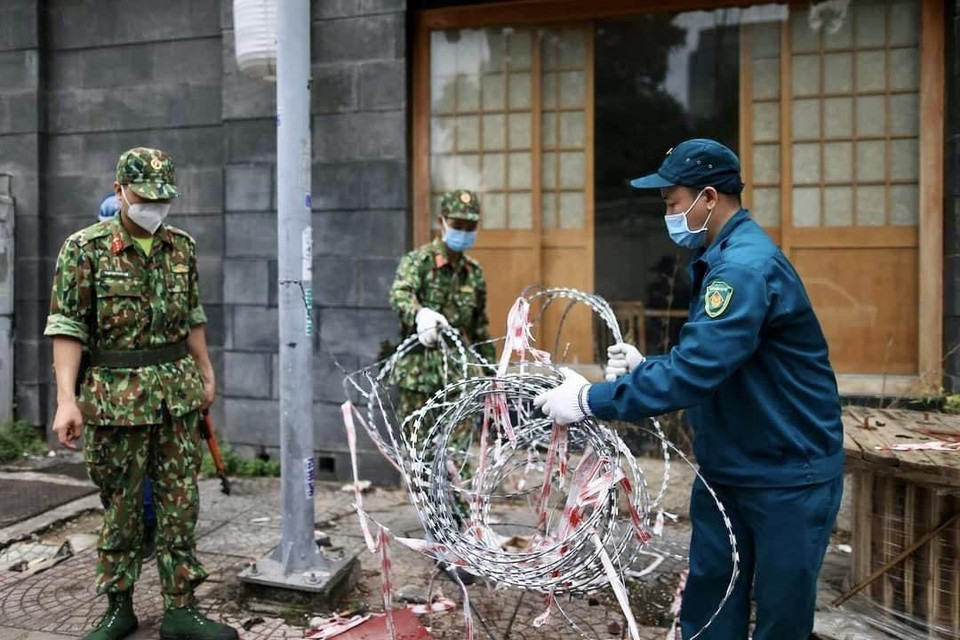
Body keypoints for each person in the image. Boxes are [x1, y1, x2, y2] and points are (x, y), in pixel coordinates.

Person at [534, 139, 844, 640]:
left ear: (708, 197)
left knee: (780, 619)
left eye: (673, 203)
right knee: (711, 600)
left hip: (787, 473)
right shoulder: (721, 256)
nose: (669, 215)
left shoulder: (742, 269)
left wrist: (588, 401)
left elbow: (696, 371)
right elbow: (722, 360)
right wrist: (647, 366)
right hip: (731, 465)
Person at [46, 147, 238, 640]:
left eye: (163, 198)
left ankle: (181, 608)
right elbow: (67, 327)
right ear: (119, 192)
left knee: (180, 502)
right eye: (144, 197)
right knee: (123, 508)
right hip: (115, 400)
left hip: (176, 395)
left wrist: (206, 370)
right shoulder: (84, 249)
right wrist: (67, 400)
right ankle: (118, 607)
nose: (155, 206)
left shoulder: (181, 247)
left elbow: (192, 315)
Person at [388, 189, 496, 423]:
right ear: (442, 222)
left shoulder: (473, 273)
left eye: (470, 227)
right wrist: (420, 315)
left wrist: (491, 375)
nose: (464, 232)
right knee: (418, 453)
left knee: (458, 455)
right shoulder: (419, 262)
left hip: (459, 375)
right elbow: (400, 294)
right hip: (419, 375)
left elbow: (480, 328)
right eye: (458, 225)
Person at [97, 192, 158, 562]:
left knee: (136, 464)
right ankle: (134, 527)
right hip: (112, 386)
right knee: (124, 464)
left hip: (135, 385)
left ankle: (142, 526)